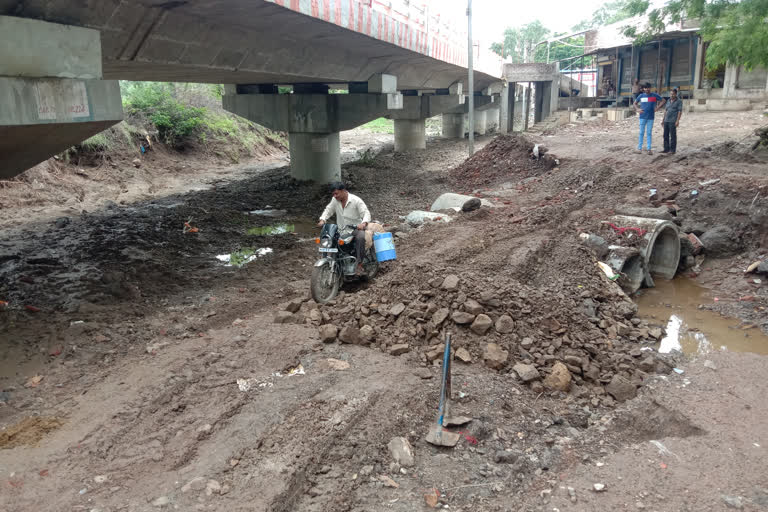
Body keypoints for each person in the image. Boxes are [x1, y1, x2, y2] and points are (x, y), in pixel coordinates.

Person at [317, 182, 371, 275]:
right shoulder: (335, 200)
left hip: (354, 229)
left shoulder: (356, 200)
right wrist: (322, 219)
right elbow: (328, 210)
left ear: (343, 191)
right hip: (341, 230)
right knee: (329, 239)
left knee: (360, 237)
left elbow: (366, 213)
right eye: (333, 194)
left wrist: (363, 223)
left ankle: (359, 264)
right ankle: (334, 261)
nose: (334, 196)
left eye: (336, 193)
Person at [633, 83, 665, 155]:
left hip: (650, 117)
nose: (647, 89)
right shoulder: (641, 96)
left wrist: (657, 108)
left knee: (649, 133)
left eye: (648, 88)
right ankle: (639, 148)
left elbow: (663, 100)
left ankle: (649, 149)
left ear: (650, 88)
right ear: (643, 89)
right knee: (641, 132)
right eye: (645, 88)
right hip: (642, 117)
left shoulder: (654, 95)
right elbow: (634, 103)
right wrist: (638, 109)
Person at [661, 88, 683, 154]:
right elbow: (666, 110)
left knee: (673, 136)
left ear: (676, 94)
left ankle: (672, 150)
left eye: (673, 94)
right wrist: (663, 120)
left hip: (673, 120)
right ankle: (666, 149)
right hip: (666, 120)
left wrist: (677, 121)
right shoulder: (668, 100)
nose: (671, 95)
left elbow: (679, 111)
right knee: (665, 135)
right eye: (671, 94)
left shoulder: (679, 101)